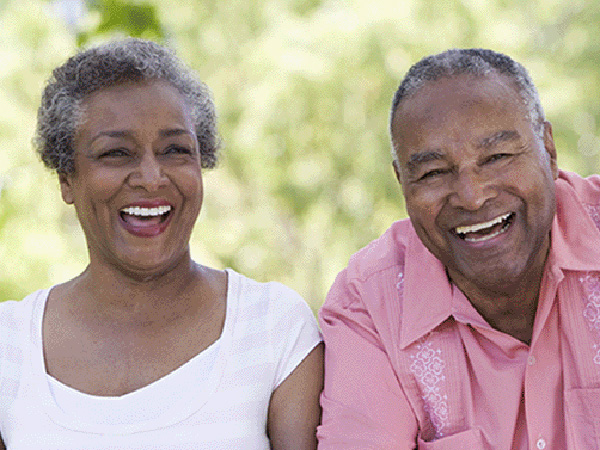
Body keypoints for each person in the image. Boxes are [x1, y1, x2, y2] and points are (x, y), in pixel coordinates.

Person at [0, 38, 323, 450]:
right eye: (116, 153)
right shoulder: (8, 345)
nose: (152, 178)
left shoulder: (273, 328)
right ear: (67, 178)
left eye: (175, 150)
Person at [317, 48, 600, 449]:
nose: (470, 196)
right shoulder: (370, 304)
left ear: (549, 150)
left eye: (497, 157)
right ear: (402, 182)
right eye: (434, 172)